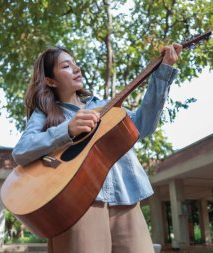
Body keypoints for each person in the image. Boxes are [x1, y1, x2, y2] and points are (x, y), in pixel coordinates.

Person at [11, 44, 182, 253]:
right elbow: (21, 151)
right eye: (66, 66)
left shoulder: (107, 106)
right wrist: (68, 129)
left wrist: (163, 72)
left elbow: (143, 125)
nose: (76, 69)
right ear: (50, 80)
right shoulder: (45, 113)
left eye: (75, 64)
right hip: (77, 203)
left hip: (126, 197)